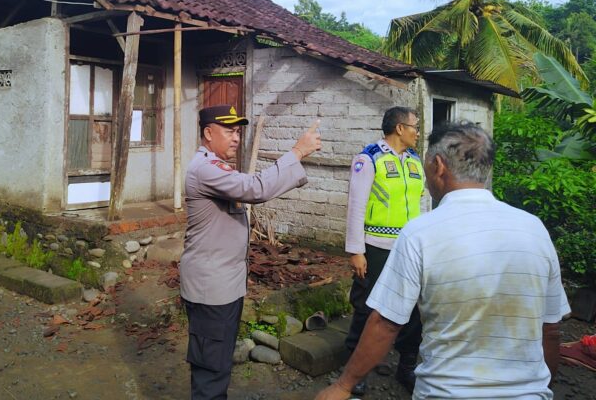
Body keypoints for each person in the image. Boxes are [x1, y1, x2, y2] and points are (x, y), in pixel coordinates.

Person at [315, 122, 570, 400]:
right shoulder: (534, 228)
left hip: (446, 393)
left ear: (438, 166)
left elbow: (386, 324)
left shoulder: (419, 233)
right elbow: (551, 329)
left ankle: (405, 364)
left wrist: (343, 385)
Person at [180, 104, 321, 399]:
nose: (236, 137)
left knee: (217, 366)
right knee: (211, 373)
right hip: (211, 290)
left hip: (223, 286)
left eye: (238, 131)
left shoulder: (216, 167)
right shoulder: (205, 169)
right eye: (229, 131)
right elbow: (256, 189)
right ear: (208, 133)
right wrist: (296, 152)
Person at [344, 106, 425, 395]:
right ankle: (356, 369)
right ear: (400, 128)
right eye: (415, 126)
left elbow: (422, 203)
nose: (418, 131)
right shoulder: (369, 159)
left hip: (410, 248)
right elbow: (356, 205)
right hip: (376, 247)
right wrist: (356, 250)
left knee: (413, 310)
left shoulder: (415, 161)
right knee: (367, 307)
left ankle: (407, 366)